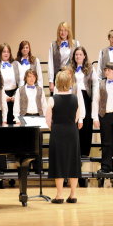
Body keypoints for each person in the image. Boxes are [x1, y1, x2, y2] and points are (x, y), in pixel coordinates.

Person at [46, 71, 82, 204]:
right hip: (72, 132)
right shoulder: (75, 98)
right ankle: (73, 195)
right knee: (73, 161)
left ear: (57, 83)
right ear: (69, 83)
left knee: (58, 162)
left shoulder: (52, 99)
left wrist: (55, 128)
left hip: (58, 132)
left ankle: (59, 195)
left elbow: (48, 119)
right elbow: (77, 116)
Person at [69, 46, 98, 157]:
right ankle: (74, 152)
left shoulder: (90, 68)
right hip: (73, 97)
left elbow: (95, 84)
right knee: (74, 122)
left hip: (86, 97)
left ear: (84, 56)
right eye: (76, 54)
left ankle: (84, 152)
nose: (78, 56)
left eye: (80, 54)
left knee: (85, 124)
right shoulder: (69, 68)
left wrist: (95, 98)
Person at [48, 22, 80, 94]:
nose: (63, 32)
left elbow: (79, 62)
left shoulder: (76, 43)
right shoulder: (53, 45)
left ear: (68, 31)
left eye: (65, 30)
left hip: (71, 76)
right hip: (58, 77)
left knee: (71, 99)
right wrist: (50, 81)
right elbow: (50, 64)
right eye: (61, 30)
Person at [0, 43, 17, 124]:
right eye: (4, 52)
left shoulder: (15, 64)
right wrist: (4, 96)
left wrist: (15, 96)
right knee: (3, 120)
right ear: (0, 53)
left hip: (14, 94)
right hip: (0, 94)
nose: (6, 53)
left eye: (8, 52)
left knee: (13, 120)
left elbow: (20, 82)